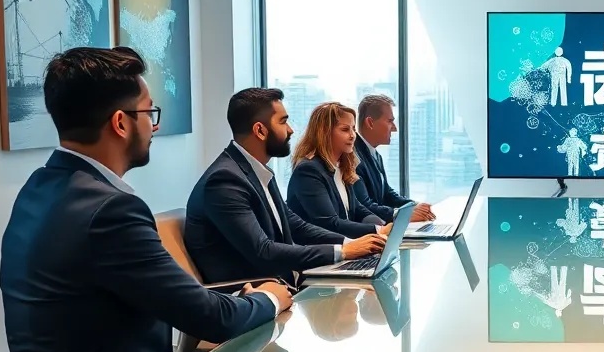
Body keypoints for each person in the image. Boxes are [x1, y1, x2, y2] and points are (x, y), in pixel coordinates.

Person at [0, 48, 292, 352]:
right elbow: (210, 317)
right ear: (121, 123)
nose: (155, 127)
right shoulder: (109, 211)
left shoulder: (41, 187)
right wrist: (268, 298)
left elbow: (90, 318)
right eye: (148, 113)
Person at [185, 88, 385, 287]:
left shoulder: (256, 171)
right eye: (283, 122)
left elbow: (294, 225)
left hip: (284, 281)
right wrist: (343, 252)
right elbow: (263, 251)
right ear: (260, 131)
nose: (291, 129)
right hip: (254, 294)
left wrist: (350, 244)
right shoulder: (224, 181)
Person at [287, 101, 391, 238]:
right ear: (324, 132)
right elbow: (329, 223)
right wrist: (378, 230)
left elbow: (358, 209)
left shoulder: (341, 167)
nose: (353, 135)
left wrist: (384, 225)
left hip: (346, 247)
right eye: (345, 129)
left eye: (353, 129)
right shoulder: (308, 171)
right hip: (323, 254)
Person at [352, 94, 434, 223]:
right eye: (389, 121)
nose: (394, 128)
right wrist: (402, 215)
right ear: (370, 123)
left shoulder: (375, 154)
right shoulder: (352, 157)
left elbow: (387, 194)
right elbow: (364, 205)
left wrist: (415, 206)